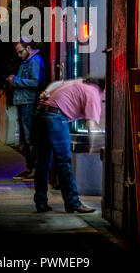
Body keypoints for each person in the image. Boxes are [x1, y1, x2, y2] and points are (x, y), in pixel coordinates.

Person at [34, 77, 104, 213]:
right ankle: (73, 203)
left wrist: (45, 91)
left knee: (43, 161)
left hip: (41, 111)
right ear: (103, 90)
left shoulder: (79, 82)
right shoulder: (94, 93)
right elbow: (91, 124)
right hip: (55, 117)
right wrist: (93, 144)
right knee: (64, 161)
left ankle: (41, 202)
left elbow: (56, 83)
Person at [7, 37, 46, 182]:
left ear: (28, 48)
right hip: (24, 102)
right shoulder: (27, 61)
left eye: (20, 52)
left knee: (30, 137)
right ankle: (30, 168)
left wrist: (15, 80)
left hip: (29, 102)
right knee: (25, 137)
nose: (19, 55)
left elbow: (36, 82)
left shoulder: (35, 60)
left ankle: (34, 169)